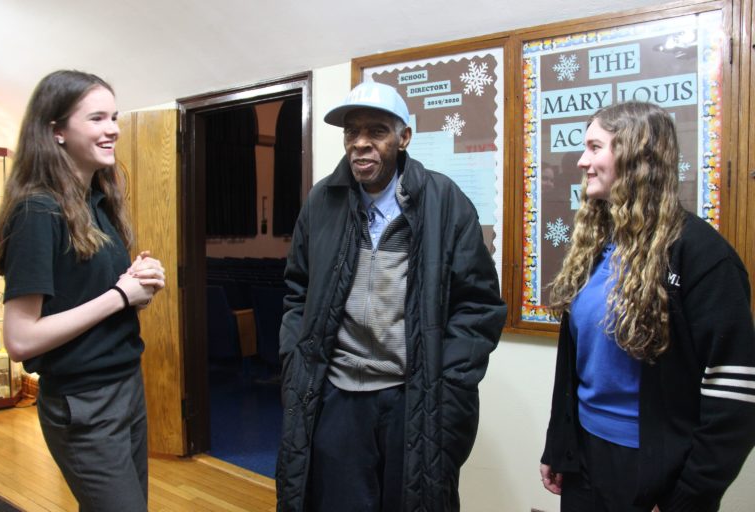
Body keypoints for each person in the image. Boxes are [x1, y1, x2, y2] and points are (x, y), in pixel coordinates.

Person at [276, 81, 507, 512]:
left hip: (411, 398)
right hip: (337, 397)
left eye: (377, 131)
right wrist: (295, 364)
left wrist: (448, 383)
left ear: (403, 138)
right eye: (352, 132)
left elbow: (478, 307)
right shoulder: (322, 201)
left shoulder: (445, 202)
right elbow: (297, 292)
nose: (361, 143)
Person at [540, 101, 755, 511]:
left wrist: (686, 498)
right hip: (585, 458)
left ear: (635, 155)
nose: (582, 161)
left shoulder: (702, 256)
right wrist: (559, 444)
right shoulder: (594, 246)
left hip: (652, 471)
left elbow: (736, 397)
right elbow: (575, 364)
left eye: (594, 147)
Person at [0, 70, 165, 512]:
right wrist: (120, 295)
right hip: (84, 401)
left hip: (126, 386)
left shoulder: (96, 201)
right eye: (97, 118)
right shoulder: (37, 211)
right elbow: (20, 339)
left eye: (114, 117)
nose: (113, 129)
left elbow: (90, 295)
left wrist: (138, 283)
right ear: (57, 131)